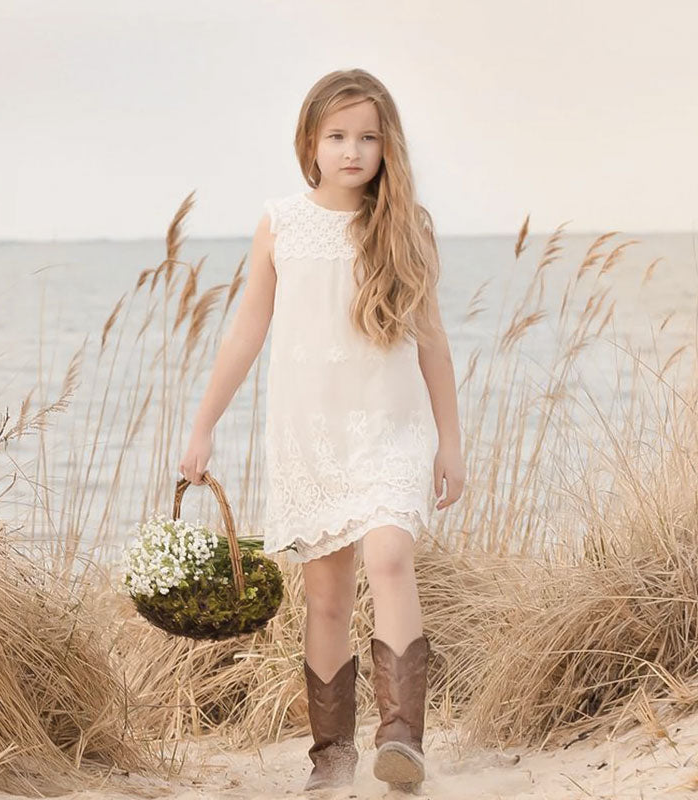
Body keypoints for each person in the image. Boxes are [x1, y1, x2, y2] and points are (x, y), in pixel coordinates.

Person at [179, 68, 464, 794]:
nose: (352, 151)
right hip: (310, 435)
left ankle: (403, 739)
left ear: (385, 145)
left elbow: (432, 343)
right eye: (337, 136)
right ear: (310, 142)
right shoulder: (282, 223)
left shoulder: (405, 226)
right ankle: (332, 754)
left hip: (392, 431)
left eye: (367, 137)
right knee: (327, 598)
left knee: (391, 556)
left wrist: (450, 442)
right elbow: (247, 329)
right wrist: (203, 424)